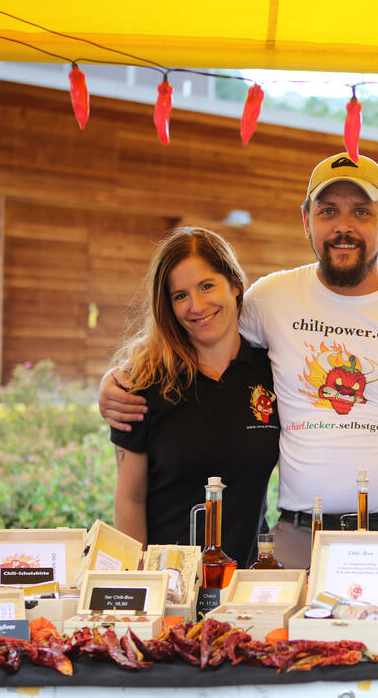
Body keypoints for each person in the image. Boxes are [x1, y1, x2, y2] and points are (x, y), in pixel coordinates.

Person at [102, 153, 378, 572]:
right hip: (301, 542)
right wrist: (120, 379)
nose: (343, 226)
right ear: (307, 222)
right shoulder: (270, 299)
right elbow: (200, 329)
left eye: (361, 212)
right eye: (328, 211)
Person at [108, 227, 279, 568]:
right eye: (180, 295)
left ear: (234, 284)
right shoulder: (141, 384)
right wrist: (142, 584)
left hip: (246, 587)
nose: (197, 306)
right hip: (169, 586)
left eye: (206, 286)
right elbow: (130, 498)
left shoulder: (271, 371)